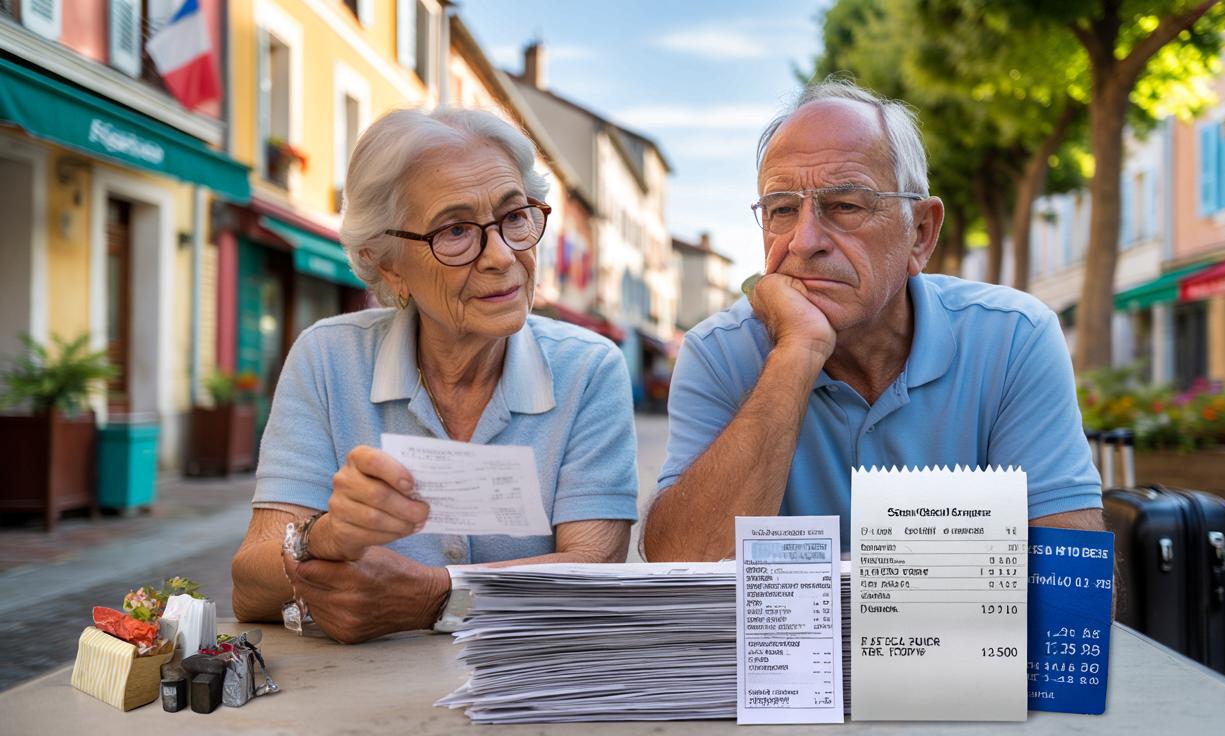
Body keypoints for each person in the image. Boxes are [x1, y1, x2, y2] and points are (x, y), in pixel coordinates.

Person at [642, 81, 1103, 562]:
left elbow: (1072, 582)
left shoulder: (1012, 339)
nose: (804, 241)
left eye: (845, 205)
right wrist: (797, 352)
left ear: (920, 233)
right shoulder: (718, 352)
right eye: (782, 209)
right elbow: (680, 566)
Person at [231, 107, 639, 643]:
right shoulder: (328, 358)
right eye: (456, 230)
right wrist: (324, 539)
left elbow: (595, 573)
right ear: (388, 264)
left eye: (515, 217)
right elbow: (249, 586)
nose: (501, 256)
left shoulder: (587, 368)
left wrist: (433, 596)